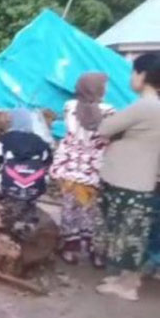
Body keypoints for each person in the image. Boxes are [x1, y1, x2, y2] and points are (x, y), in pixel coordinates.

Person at [94, 54, 160, 301]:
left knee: (130, 234)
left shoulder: (145, 106)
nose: (131, 77)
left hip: (129, 181)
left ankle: (128, 285)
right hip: (137, 179)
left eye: (134, 72)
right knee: (130, 231)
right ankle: (123, 278)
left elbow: (104, 128)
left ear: (143, 76)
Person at [50, 73, 114, 266]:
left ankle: (71, 250)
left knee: (70, 209)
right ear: (98, 89)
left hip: (70, 168)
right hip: (94, 171)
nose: (107, 89)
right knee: (94, 212)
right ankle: (96, 253)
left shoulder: (70, 107)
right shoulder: (109, 111)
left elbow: (72, 132)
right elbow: (109, 138)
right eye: (104, 85)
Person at [0, 108, 53, 240]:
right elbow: (48, 162)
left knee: (0, 170)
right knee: (38, 181)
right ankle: (28, 220)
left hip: (10, 185)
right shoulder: (41, 142)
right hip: (35, 187)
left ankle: (3, 202)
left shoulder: (5, 139)